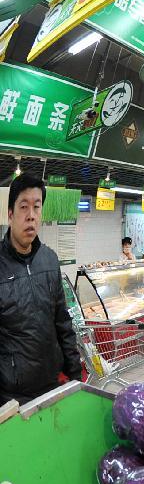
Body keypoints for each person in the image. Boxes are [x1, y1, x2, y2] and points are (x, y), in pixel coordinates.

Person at [0, 173, 81, 403]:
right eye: (24, 207)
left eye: (37, 207)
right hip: (11, 397)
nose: (31, 216)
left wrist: (75, 377)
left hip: (52, 385)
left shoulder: (49, 260)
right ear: (10, 214)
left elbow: (63, 323)